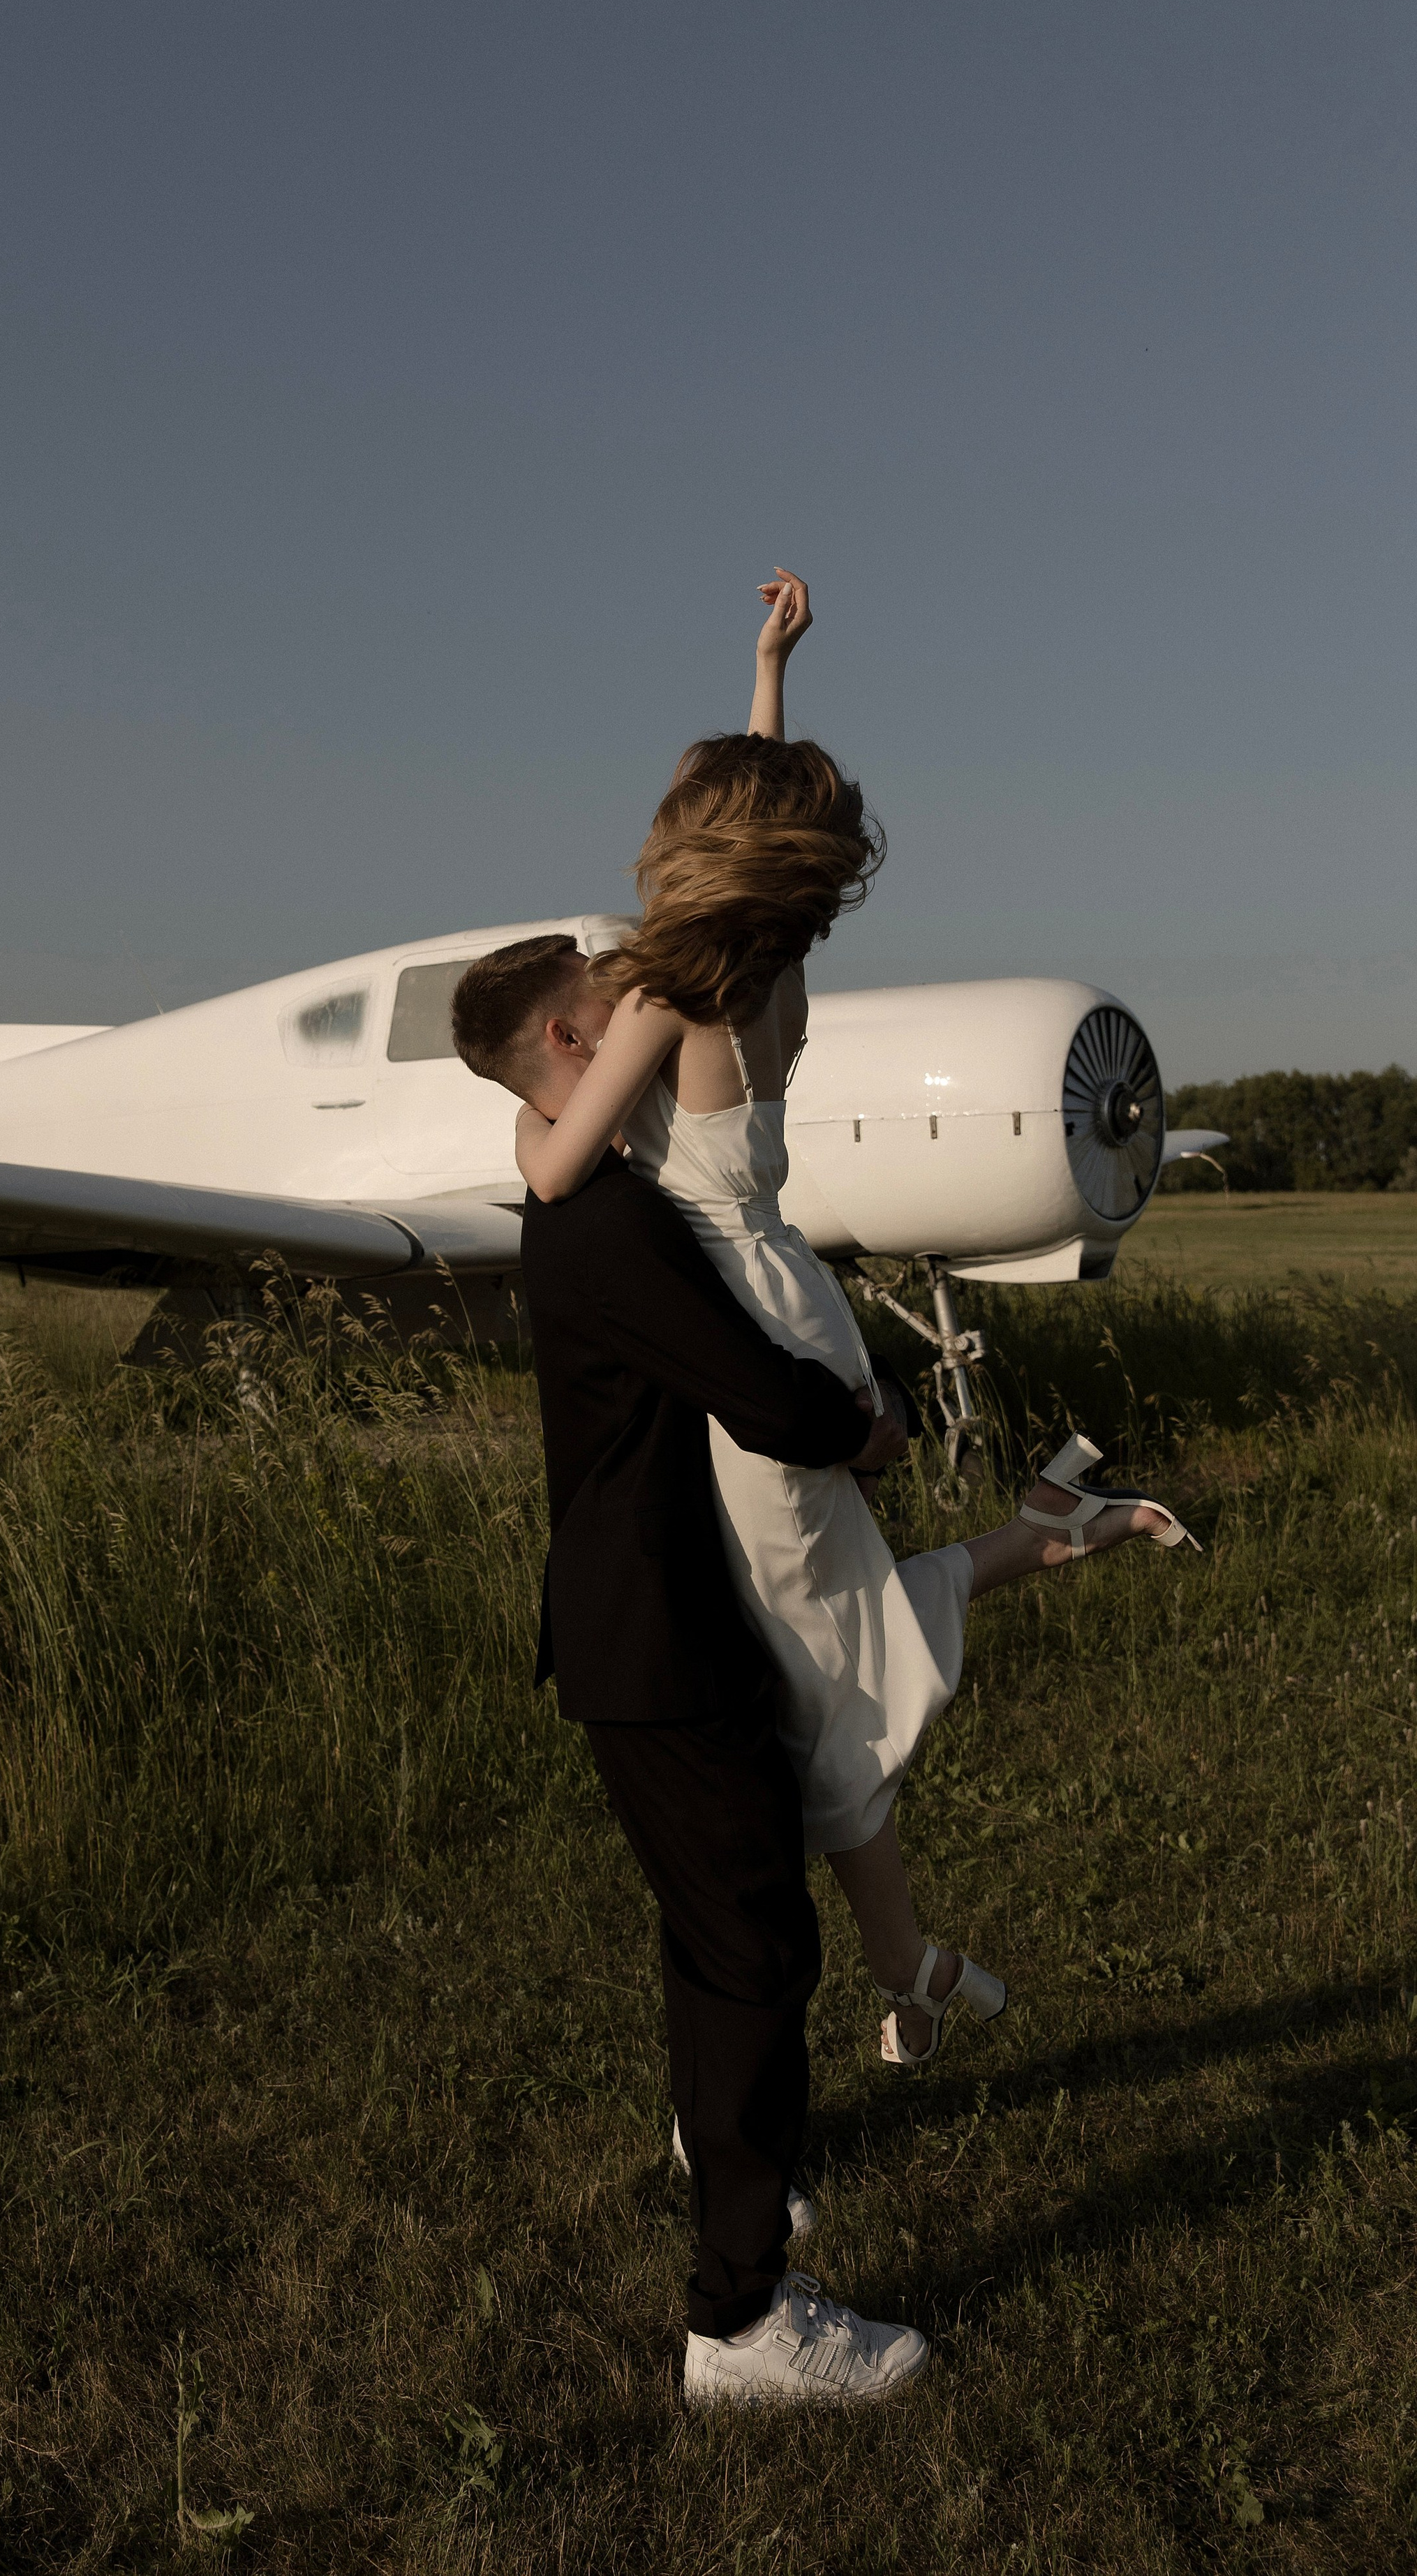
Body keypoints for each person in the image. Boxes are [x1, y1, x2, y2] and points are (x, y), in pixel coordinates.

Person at [467, 571, 1199, 2076]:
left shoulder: (665, 993)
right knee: (821, 1635)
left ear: (689, 851)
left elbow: (550, 1165)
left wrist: (543, 1125)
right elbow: (737, 829)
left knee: (817, 1654)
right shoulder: (761, 962)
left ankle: (905, 1945)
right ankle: (917, 1934)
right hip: (785, 1291)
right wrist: (765, 679)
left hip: (744, 1323)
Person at [452, 929, 931, 2404]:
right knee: (754, 1951)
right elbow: (752, 1393)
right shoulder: (602, 1229)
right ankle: (740, 2323)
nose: (635, 1010)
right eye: (608, 1004)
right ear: (562, 1049)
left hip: (640, 1630)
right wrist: (873, 1423)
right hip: (657, 1636)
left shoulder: (583, 1185)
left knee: (713, 1936)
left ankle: (725, 2157)